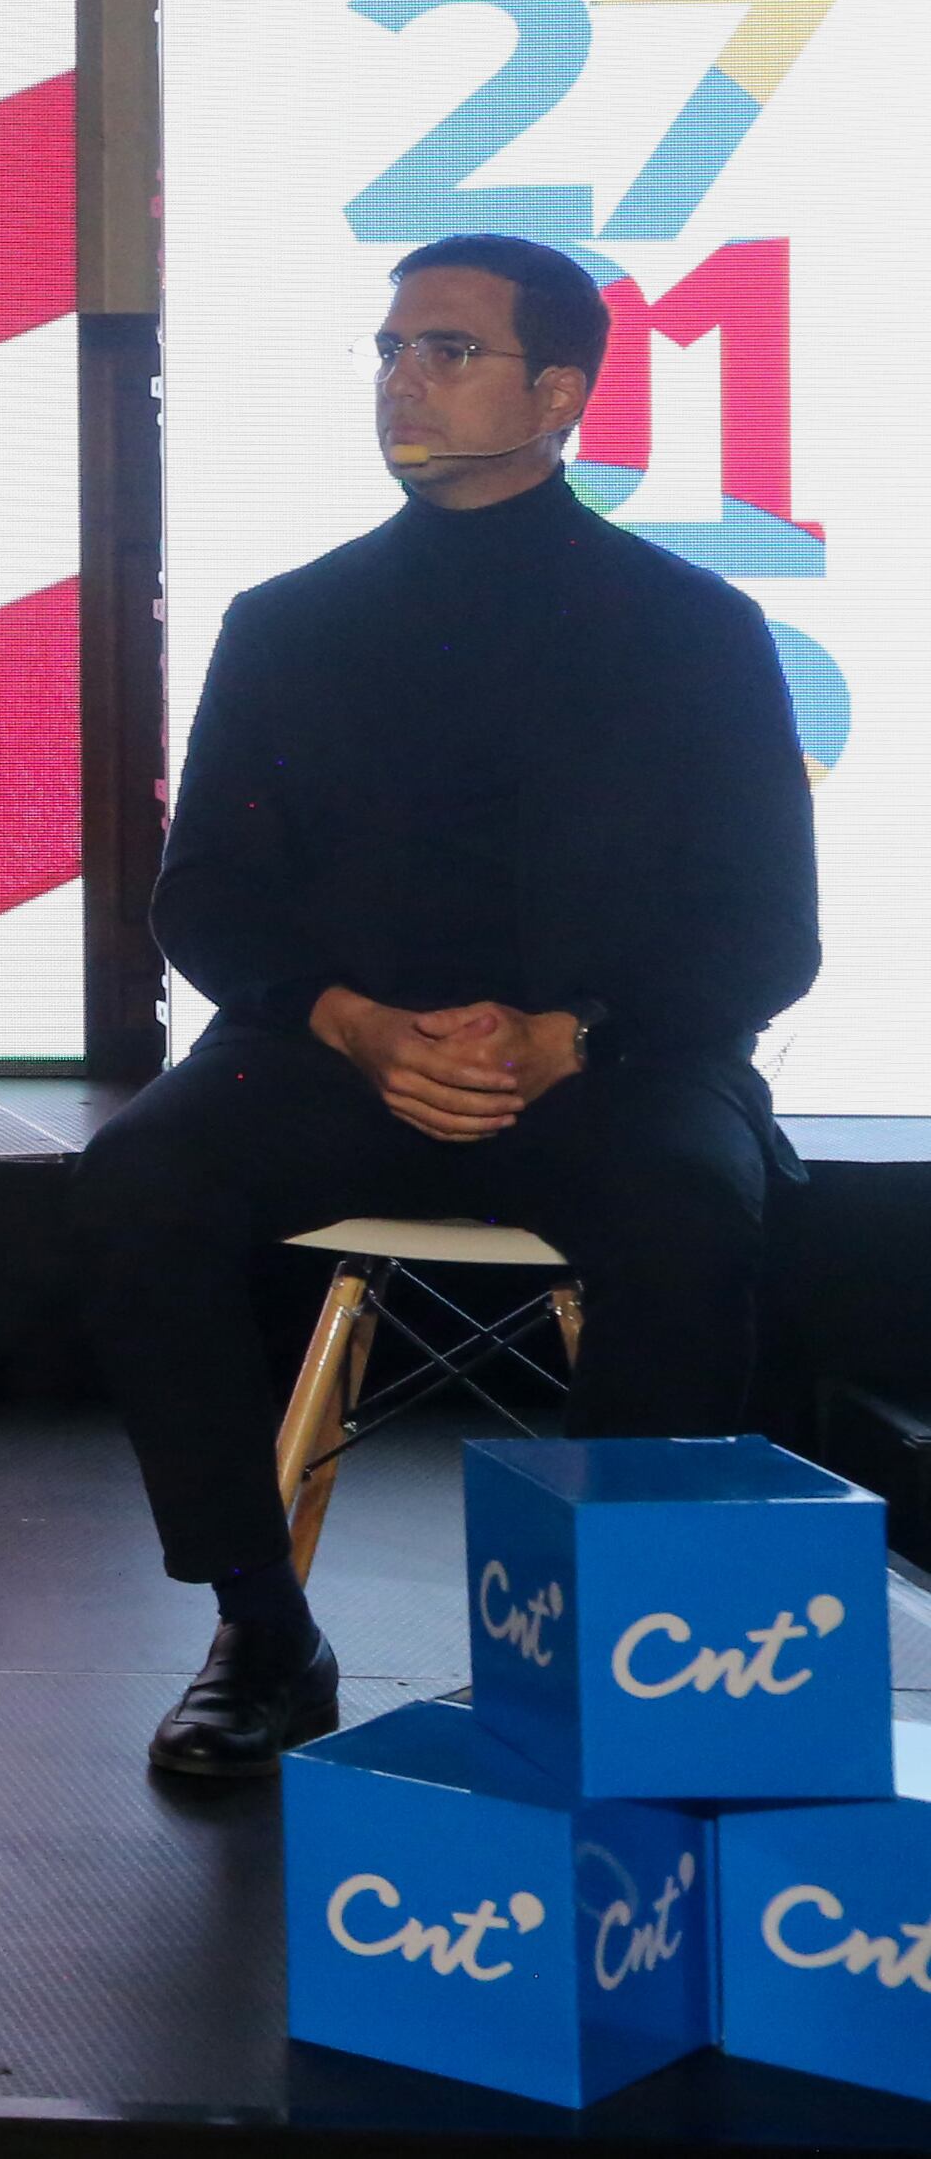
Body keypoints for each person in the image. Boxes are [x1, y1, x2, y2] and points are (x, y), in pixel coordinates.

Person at [83, 232, 817, 1779]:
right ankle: (259, 1627)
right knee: (137, 1182)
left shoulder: (693, 627)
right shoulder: (291, 620)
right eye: (389, 348)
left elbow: (766, 933)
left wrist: (575, 1036)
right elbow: (203, 896)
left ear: (560, 392)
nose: (400, 380)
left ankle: (620, 1664)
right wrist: (350, 1021)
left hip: (610, 1061)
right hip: (340, 1051)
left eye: (446, 350)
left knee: (692, 1209)